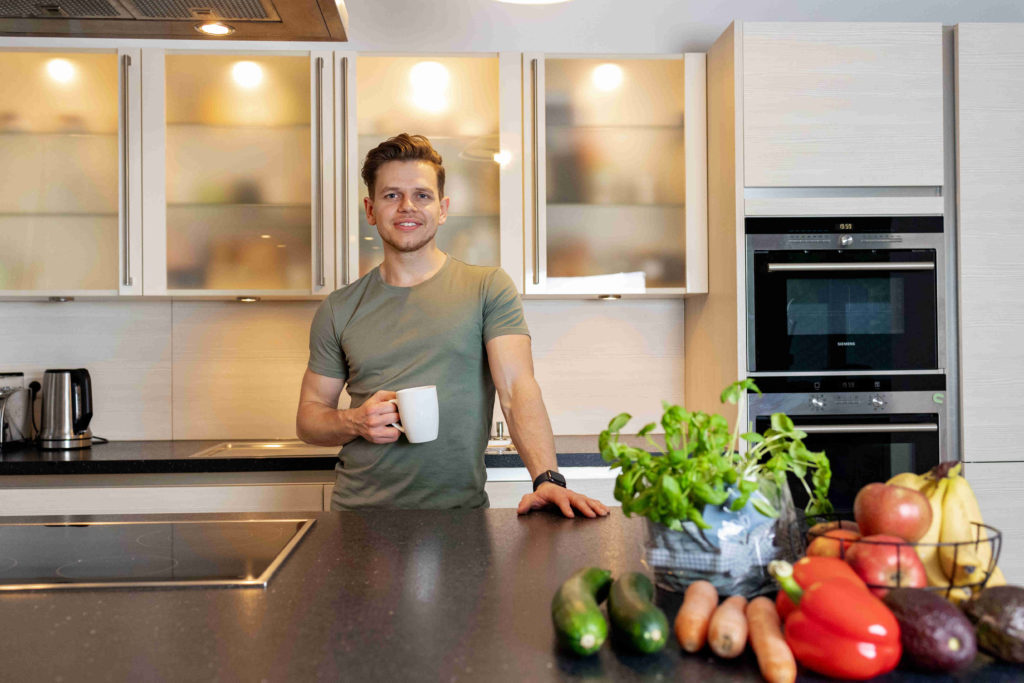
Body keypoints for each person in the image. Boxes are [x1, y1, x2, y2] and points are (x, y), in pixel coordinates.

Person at [296, 133, 608, 519]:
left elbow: (516, 389)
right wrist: (352, 421)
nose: (407, 206)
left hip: (460, 515)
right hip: (360, 515)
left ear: (442, 209)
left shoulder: (487, 287)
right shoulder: (339, 307)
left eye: (422, 195)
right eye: (391, 195)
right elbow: (309, 417)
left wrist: (547, 478)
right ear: (370, 209)